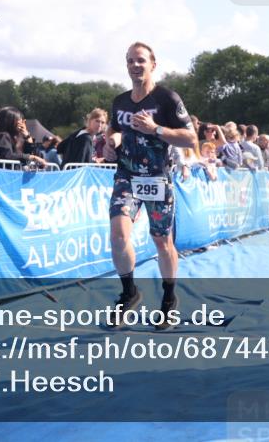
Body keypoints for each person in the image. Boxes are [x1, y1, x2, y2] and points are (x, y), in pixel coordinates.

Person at [104, 42, 197, 330]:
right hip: (127, 177)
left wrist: (155, 129)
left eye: (141, 60)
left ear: (153, 64)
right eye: (130, 60)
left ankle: (169, 298)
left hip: (157, 177)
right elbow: (114, 129)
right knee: (118, 235)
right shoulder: (119, 101)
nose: (135, 65)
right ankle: (129, 292)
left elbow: (191, 139)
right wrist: (111, 143)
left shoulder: (167, 99)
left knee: (162, 242)